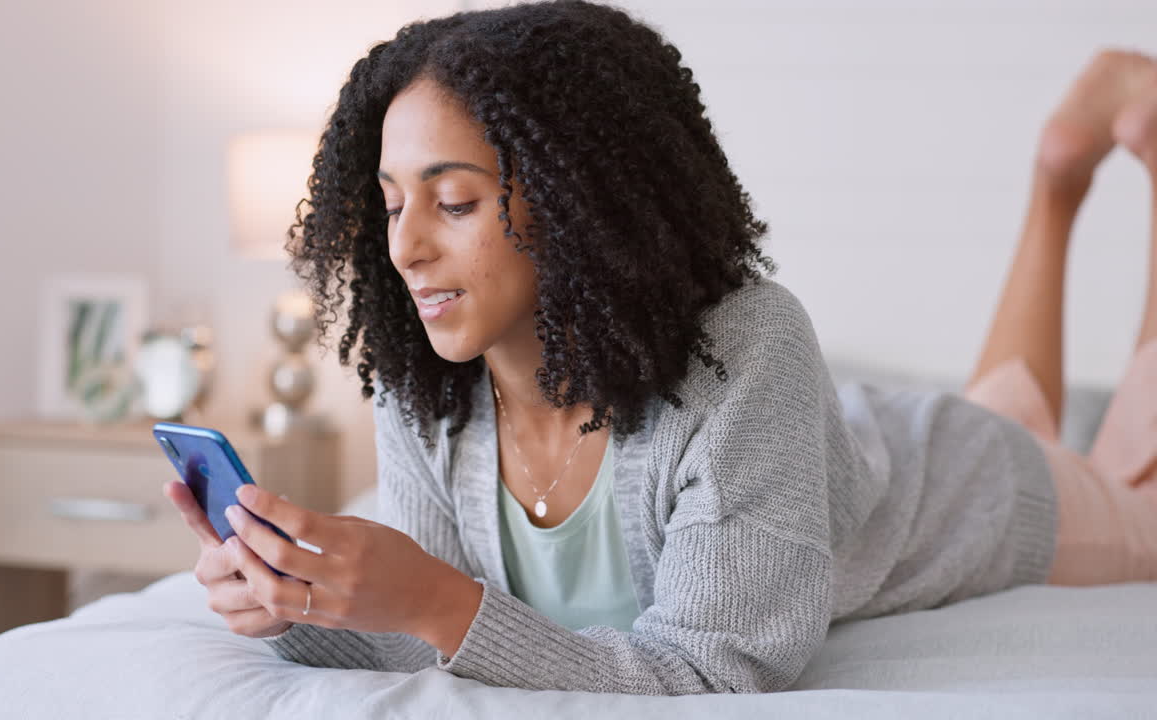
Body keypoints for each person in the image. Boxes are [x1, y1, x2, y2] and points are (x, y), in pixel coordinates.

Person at [163, 0, 1157, 695]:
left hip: (973, 493)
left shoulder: (747, 348)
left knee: (1128, 481)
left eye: (452, 200)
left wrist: (433, 596)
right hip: (849, 452)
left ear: (574, 200)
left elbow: (711, 672)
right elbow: (427, 632)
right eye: (388, 206)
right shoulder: (423, 381)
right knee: (1010, 397)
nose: (406, 248)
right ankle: (1057, 176)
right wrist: (295, 602)